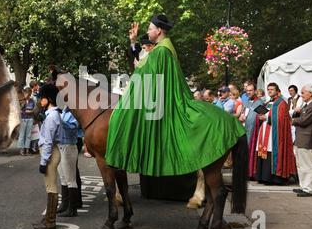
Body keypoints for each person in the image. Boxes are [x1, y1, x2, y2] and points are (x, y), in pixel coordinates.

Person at [105, 14, 245, 176]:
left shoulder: (161, 51)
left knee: (123, 115)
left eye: (150, 29)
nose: (148, 32)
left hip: (169, 101)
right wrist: (133, 43)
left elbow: (147, 74)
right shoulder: (161, 48)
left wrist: (136, 76)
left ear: (158, 31)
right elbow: (145, 67)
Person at [32, 84, 62, 229]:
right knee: (50, 187)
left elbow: (48, 141)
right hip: (50, 152)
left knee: (51, 188)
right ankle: (48, 218)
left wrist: (44, 161)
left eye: (42, 98)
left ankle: (50, 221)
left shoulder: (52, 117)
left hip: (49, 153)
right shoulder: (51, 114)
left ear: (49, 99)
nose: (40, 100)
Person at [255, 83, 296, 185]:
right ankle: (263, 177)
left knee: (272, 153)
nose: (269, 91)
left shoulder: (282, 103)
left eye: (272, 89)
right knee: (264, 152)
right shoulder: (268, 102)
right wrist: (260, 116)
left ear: (277, 91)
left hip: (275, 134)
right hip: (264, 131)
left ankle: (274, 178)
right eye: (268, 89)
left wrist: (267, 118)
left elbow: (282, 119)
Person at [292, 85, 312, 197]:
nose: (302, 95)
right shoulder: (308, 104)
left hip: (306, 138)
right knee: (300, 164)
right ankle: (303, 186)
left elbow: (305, 120)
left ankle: (308, 189)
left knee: (307, 165)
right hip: (301, 137)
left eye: (303, 93)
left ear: (311, 93)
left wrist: (292, 120)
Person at [57, 106, 80, 217]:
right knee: (63, 178)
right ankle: (64, 205)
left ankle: (72, 209)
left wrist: (60, 121)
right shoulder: (62, 111)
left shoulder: (73, 112)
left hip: (69, 145)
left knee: (71, 179)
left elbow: (74, 127)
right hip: (61, 145)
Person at [239, 83, 263, 179]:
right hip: (246, 130)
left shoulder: (260, 103)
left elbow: (262, 117)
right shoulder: (247, 102)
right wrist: (241, 116)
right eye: (247, 90)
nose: (248, 92)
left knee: (252, 152)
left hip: (254, 132)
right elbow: (242, 113)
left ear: (255, 91)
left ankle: (252, 173)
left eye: (251, 90)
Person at [18, 87, 35, 156]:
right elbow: (19, 110)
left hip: (30, 118)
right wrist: (24, 109)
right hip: (23, 119)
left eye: (30, 94)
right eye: (27, 94)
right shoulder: (21, 101)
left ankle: (27, 150)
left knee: (28, 135)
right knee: (22, 134)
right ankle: (22, 150)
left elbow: (34, 109)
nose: (29, 95)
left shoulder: (32, 101)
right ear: (24, 93)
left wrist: (30, 111)